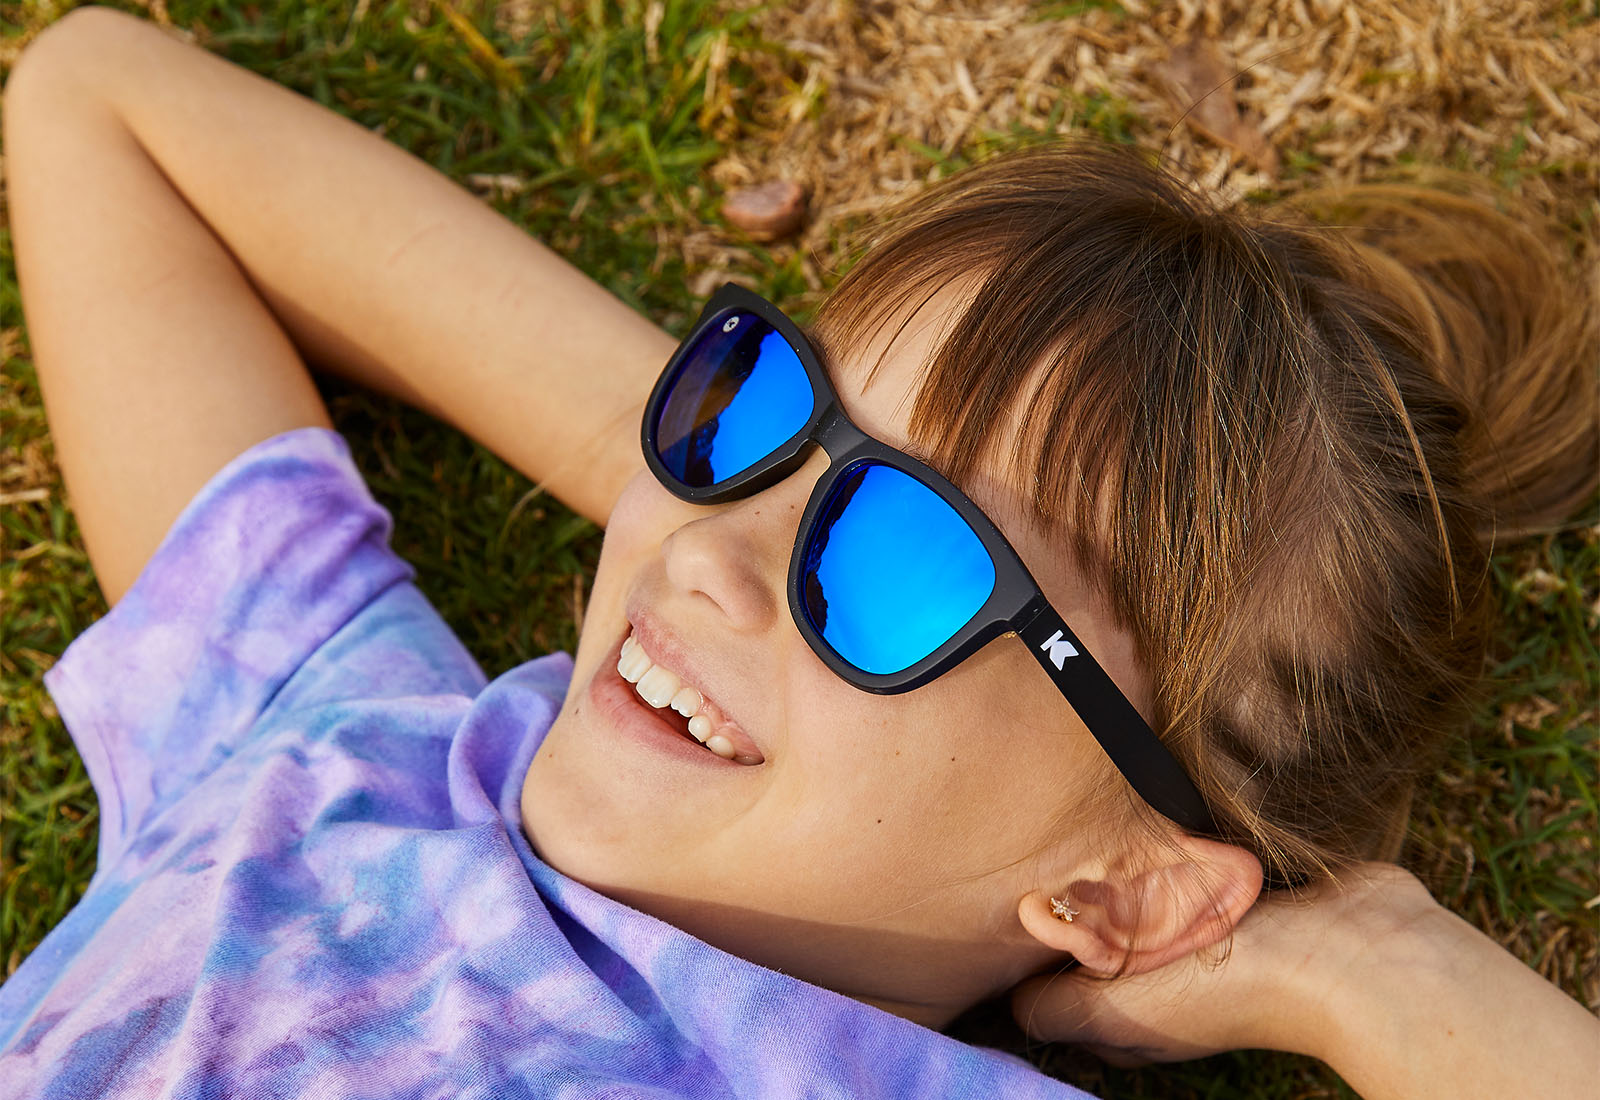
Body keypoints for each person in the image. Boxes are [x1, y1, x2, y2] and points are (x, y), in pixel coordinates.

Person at [0, 6, 1594, 1098]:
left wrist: (1369, 973)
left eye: (912, 555)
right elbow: (98, 103)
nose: (717, 557)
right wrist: (723, 490)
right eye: (762, 397)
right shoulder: (344, 745)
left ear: (1127, 887)